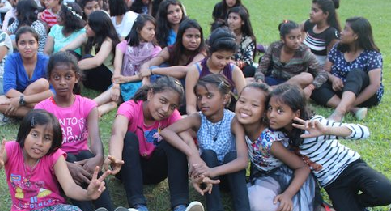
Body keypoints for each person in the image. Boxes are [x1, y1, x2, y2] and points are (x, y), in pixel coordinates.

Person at [268, 83, 391, 211]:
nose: (272, 114)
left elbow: (364, 131)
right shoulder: (277, 135)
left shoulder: (313, 125)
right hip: (332, 183)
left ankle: (355, 203)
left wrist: (327, 130)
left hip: (350, 166)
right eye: (270, 108)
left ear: (296, 113)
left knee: (385, 191)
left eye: (279, 110)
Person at [0, 109, 108, 210]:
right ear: (24, 133)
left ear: (52, 143)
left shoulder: (54, 156)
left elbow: (70, 188)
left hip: (54, 207)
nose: (39, 142)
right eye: (34, 134)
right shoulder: (11, 149)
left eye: (47, 138)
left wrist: (87, 194)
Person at [35, 52, 118, 211]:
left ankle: (106, 208)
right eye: (56, 77)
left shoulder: (87, 105)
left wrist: (98, 158)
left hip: (83, 161)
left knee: (86, 156)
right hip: (55, 162)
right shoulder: (43, 108)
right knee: (71, 158)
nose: (62, 82)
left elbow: (95, 139)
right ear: (50, 79)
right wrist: (65, 166)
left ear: (77, 77)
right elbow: (38, 150)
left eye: (68, 76)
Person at [105, 76, 203, 211]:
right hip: (126, 169)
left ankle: (181, 206)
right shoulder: (130, 107)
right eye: (163, 101)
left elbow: (186, 139)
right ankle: (138, 206)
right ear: (150, 94)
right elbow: (118, 133)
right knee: (128, 137)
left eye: (172, 106)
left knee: (175, 141)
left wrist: (195, 161)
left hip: (154, 172)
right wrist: (115, 157)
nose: (165, 110)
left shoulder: (172, 115)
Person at [161, 74, 249, 211]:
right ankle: (214, 208)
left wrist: (212, 170)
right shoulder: (198, 119)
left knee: (232, 155)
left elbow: (242, 161)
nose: (202, 101)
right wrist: (192, 153)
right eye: (199, 97)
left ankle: (243, 208)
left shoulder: (234, 121)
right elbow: (167, 131)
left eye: (209, 96)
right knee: (208, 154)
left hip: (229, 177)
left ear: (225, 99)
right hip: (206, 178)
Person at [237, 83, 319, 211]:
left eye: (254, 105)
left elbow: (302, 167)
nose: (246, 108)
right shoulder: (238, 124)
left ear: (263, 112)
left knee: (260, 203)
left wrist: (288, 195)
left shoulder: (269, 141)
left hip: (286, 176)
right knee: (251, 201)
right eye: (242, 101)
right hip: (263, 174)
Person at [311, 17, 383, 122]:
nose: (341, 32)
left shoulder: (372, 54)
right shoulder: (338, 47)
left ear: (356, 36)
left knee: (356, 73)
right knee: (315, 83)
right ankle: (353, 110)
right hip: (340, 90)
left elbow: (374, 86)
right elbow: (325, 71)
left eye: (346, 30)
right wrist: (333, 79)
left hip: (364, 95)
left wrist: (351, 102)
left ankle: (340, 111)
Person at [95, 15, 161, 116]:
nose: (153, 33)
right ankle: (89, 108)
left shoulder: (156, 50)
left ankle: (110, 105)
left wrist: (125, 80)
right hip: (120, 82)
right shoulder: (123, 45)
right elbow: (117, 69)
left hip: (141, 85)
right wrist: (116, 86)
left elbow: (145, 74)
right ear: (139, 29)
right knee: (108, 94)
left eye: (154, 29)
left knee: (133, 90)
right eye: (149, 29)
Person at [0, 27, 52, 126]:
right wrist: (22, 100)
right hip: (19, 98)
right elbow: (9, 89)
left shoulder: (46, 61)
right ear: (17, 45)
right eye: (22, 43)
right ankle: (44, 114)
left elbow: (53, 91)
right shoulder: (12, 59)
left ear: (37, 44)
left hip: (40, 100)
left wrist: (22, 100)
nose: (27, 47)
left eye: (31, 43)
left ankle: (14, 115)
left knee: (42, 83)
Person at [254, 20, 328, 95]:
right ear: (282, 39)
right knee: (248, 81)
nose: (296, 41)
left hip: (292, 86)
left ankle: (273, 91)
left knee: (307, 77)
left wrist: (311, 87)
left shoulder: (304, 52)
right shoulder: (274, 47)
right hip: (273, 79)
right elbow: (261, 68)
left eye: (299, 37)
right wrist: (260, 82)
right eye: (292, 38)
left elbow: (323, 73)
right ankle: (270, 91)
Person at [185, 28, 245, 114]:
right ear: (209, 52)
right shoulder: (195, 71)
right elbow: (190, 105)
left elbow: (243, 100)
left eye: (228, 58)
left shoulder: (234, 71)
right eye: (219, 57)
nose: (223, 62)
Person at [61, 11, 120, 92]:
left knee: (88, 58)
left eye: (89, 25)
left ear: (97, 28)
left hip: (105, 77)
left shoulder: (107, 41)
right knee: (68, 53)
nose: (86, 27)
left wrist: (72, 67)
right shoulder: (88, 36)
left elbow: (97, 61)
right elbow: (67, 48)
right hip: (90, 74)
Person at [140, 19, 206, 85]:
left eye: (197, 37)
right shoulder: (171, 50)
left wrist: (153, 71)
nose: (193, 41)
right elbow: (150, 63)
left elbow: (186, 70)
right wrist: (145, 72)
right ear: (181, 36)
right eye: (189, 36)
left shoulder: (202, 54)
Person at [302, 0, 340, 65]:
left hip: (317, 71)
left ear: (325, 14)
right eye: (311, 9)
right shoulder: (310, 24)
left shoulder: (331, 33)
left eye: (315, 11)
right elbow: (298, 29)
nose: (311, 13)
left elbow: (331, 61)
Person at [226, 6, 256, 77]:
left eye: (234, 18)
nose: (230, 21)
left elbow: (248, 61)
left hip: (239, 68)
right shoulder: (223, 34)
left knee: (251, 69)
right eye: (229, 17)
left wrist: (235, 63)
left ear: (242, 21)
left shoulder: (248, 39)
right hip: (223, 65)